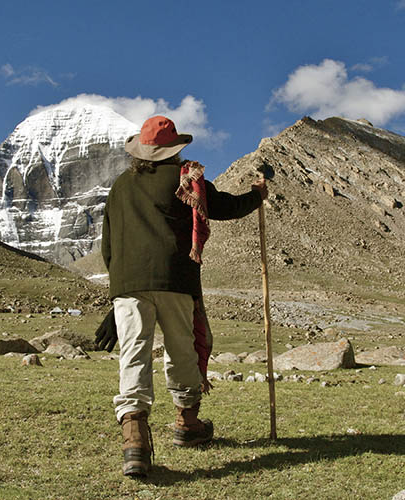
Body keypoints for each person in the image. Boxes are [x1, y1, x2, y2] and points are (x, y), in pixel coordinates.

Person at [102, 115, 267, 477]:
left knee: (134, 354)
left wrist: (117, 293)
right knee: (182, 349)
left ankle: (134, 441)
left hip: (128, 285)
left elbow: (109, 246)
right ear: (174, 149)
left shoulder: (119, 187)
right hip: (176, 279)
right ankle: (187, 423)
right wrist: (257, 196)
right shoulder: (186, 180)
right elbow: (224, 207)